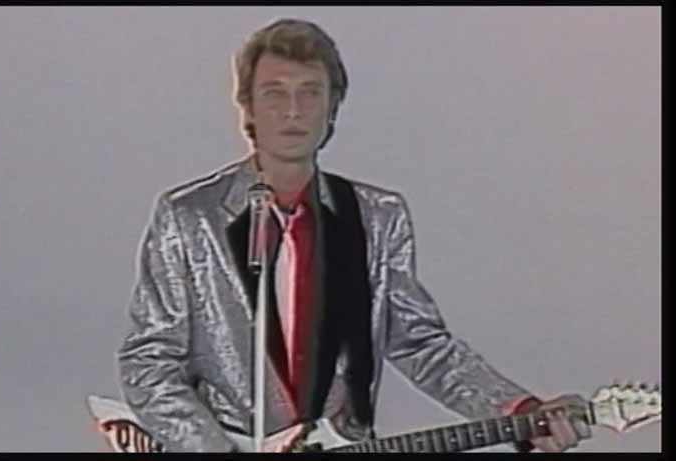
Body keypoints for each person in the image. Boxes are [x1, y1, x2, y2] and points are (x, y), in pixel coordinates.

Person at [116, 18, 590, 453]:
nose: (293, 111)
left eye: (310, 93)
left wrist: (518, 410)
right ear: (248, 108)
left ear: (332, 107)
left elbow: (421, 344)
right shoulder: (188, 217)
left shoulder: (377, 218)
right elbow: (148, 361)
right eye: (275, 93)